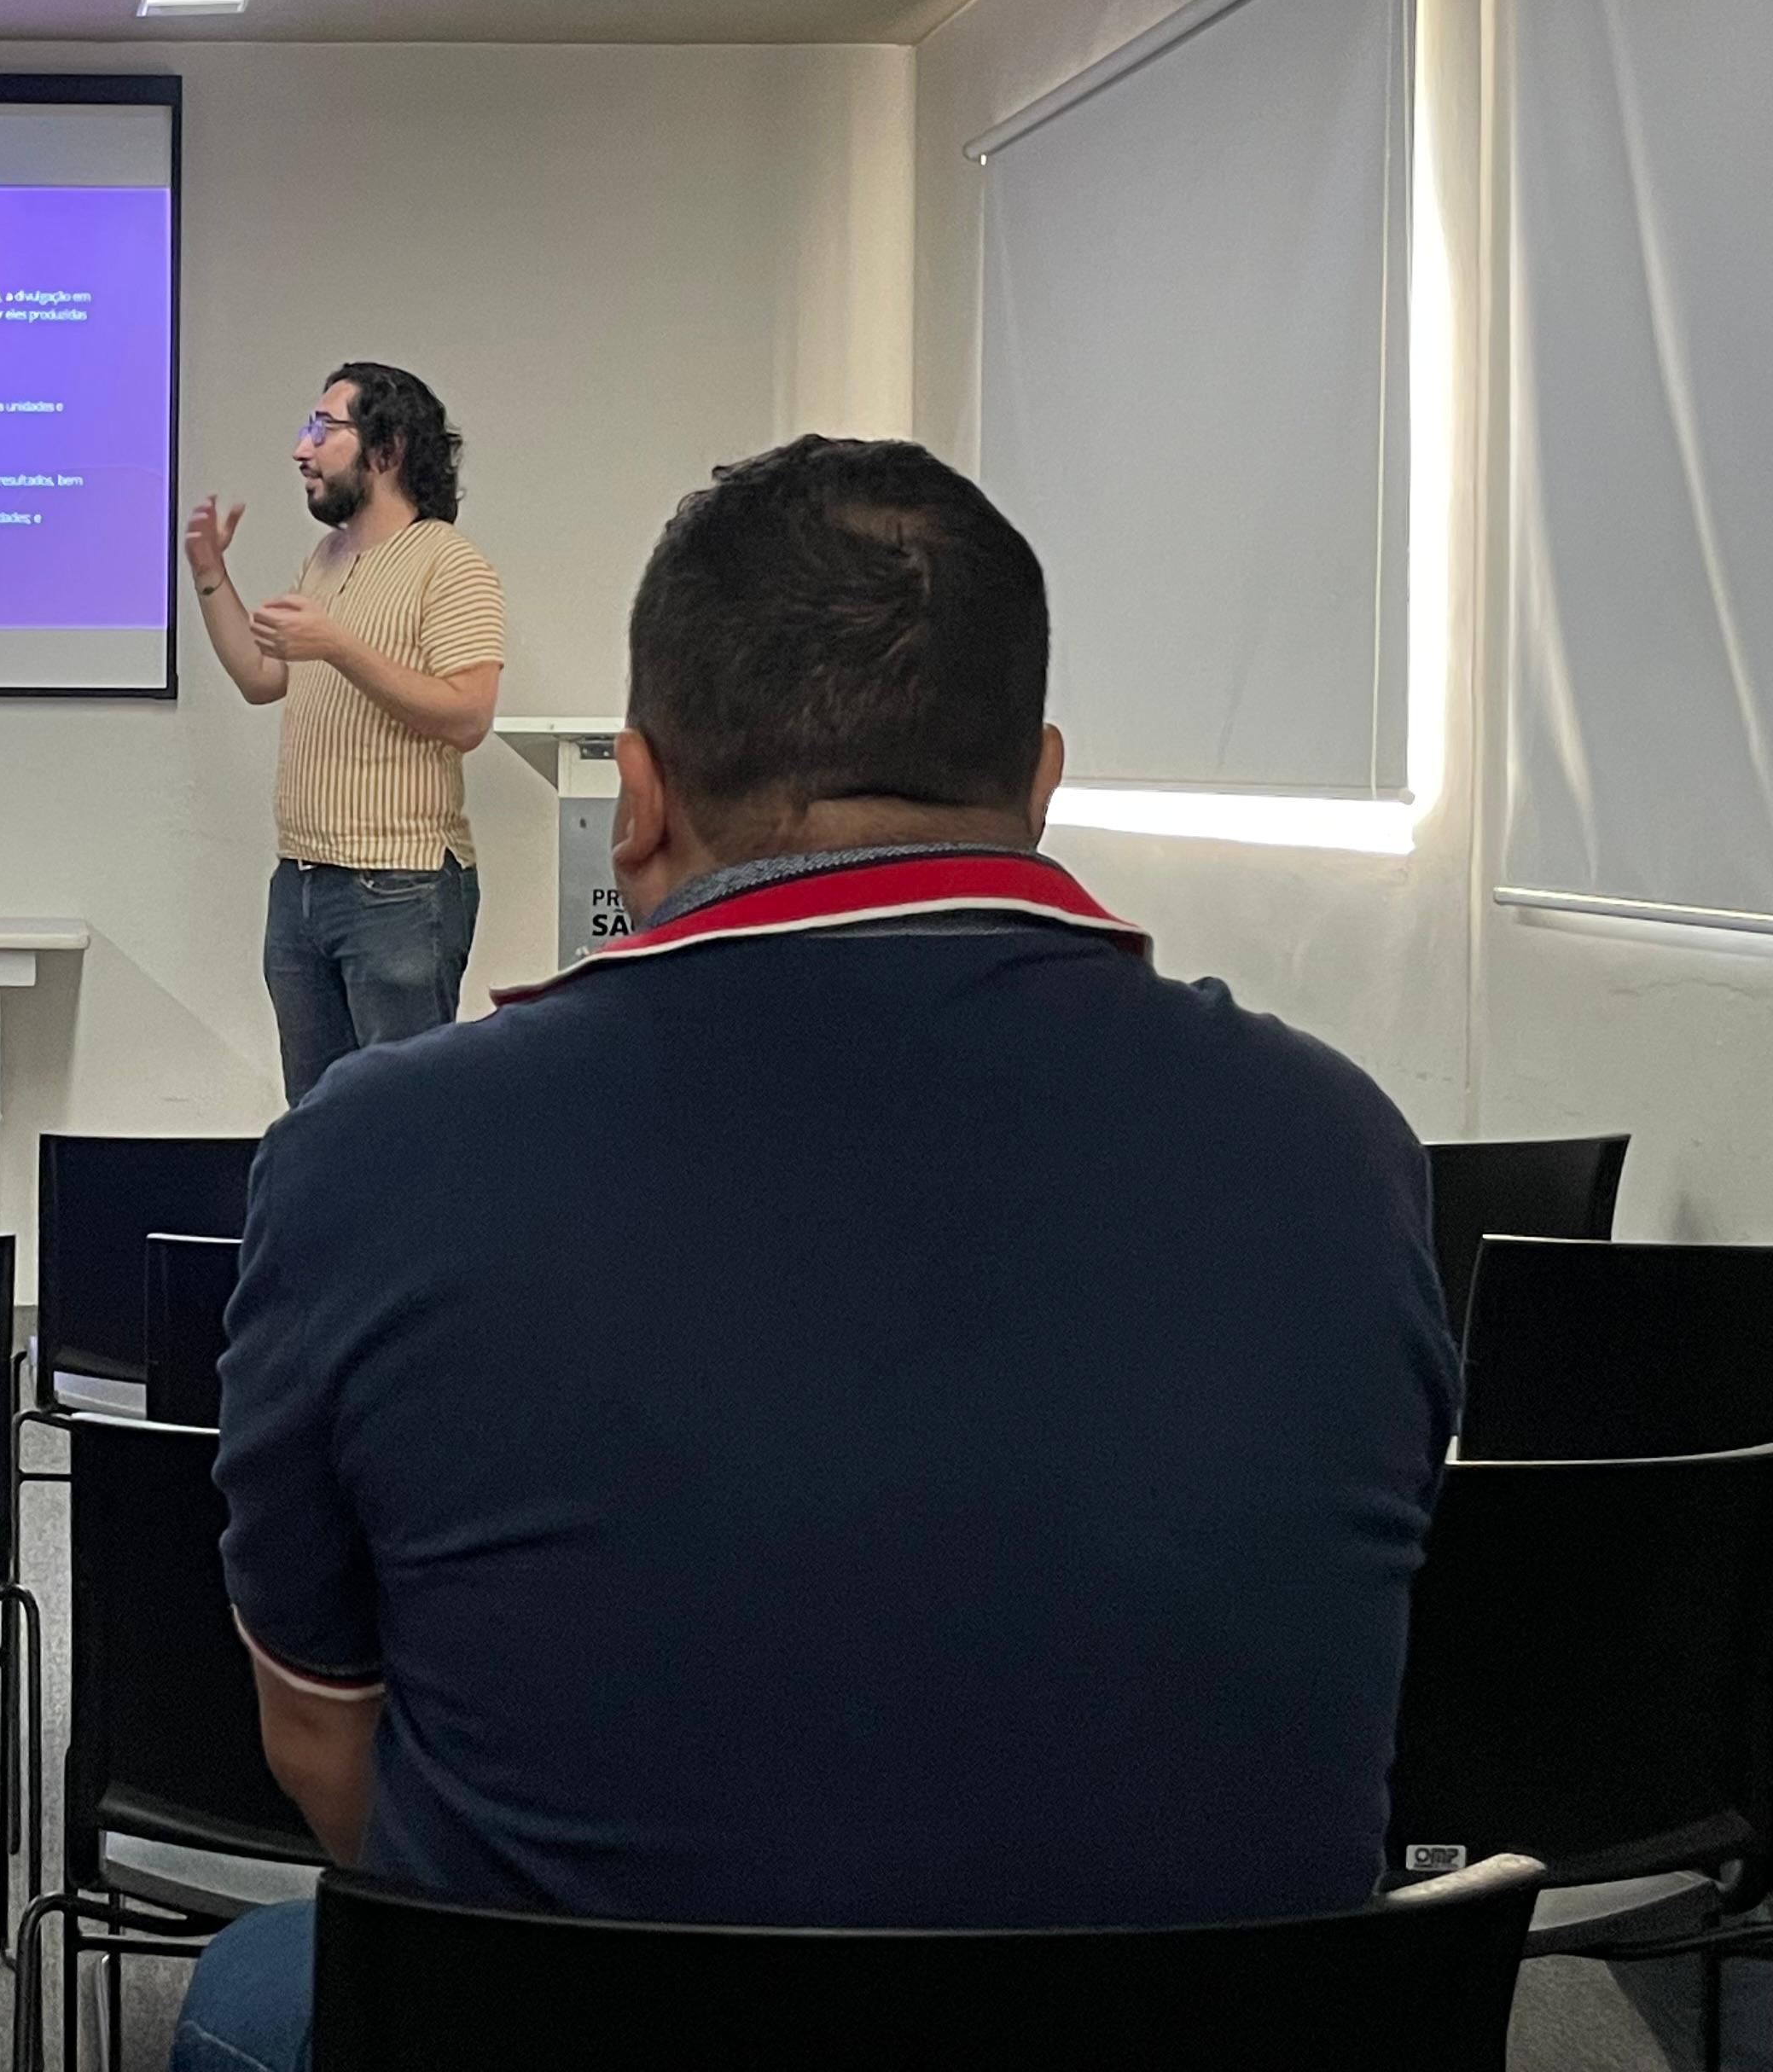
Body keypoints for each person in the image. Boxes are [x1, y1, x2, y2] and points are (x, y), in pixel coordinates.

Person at [174, 437, 1454, 2071]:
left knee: (251, 1989)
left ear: (638, 796)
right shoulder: (1339, 1151)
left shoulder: (369, 1157)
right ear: (1040, 777)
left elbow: (320, 1738)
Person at [184, 363, 504, 1106]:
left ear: (386, 450)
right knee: (318, 1120)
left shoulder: (449, 563)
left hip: (399, 886)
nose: (302, 449)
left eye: (323, 430)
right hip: (301, 884)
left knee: (400, 1121)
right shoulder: (325, 562)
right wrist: (209, 574)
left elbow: (468, 715)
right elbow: (261, 677)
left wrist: (337, 646)